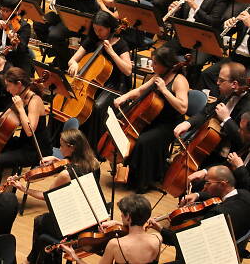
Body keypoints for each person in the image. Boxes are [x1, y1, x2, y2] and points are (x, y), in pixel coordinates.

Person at [11, 128, 100, 264]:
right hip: (92, 216)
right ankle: (34, 259)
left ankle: (42, 259)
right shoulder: (94, 162)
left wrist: (23, 189)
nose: (59, 148)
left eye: (62, 145)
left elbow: (45, 196)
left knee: (41, 222)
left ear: (72, 148)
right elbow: (74, 166)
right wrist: (56, 160)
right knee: (44, 223)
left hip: (76, 224)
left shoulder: (66, 175)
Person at [113, 46, 189, 193]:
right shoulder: (158, 76)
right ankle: (131, 176)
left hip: (170, 124)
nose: (152, 66)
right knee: (133, 136)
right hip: (154, 118)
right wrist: (124, 97)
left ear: (165, 64)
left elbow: (183, 108)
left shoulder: (180, 80)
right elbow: (140, 90)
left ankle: (143, 182)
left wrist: (165, 90)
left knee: (143, 141)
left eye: (155, 63)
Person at [150, 165, 250, 256]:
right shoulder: (245, 194)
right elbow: (217, 195)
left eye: (207, 183)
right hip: (237, 248)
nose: (204, 188)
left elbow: (188, 241)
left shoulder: (218, 213)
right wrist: (197, 195)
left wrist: (161, 229)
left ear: (223, 184)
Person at [67, 11, 132, 146]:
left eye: (100, 30)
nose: (97, 33)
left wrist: (112, 53)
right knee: (68, 97)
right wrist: (73, 64)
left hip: (113, 85)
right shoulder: (92, 39)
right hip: (91, 82)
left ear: (109, 28)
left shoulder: (121, 44)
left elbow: (127, 71)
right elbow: (73, 59)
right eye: (95, 29)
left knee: (96, 107)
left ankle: (92, 145)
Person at [174, 61, 250, 172]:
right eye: (218, 78)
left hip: (227, 158)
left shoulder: (247, 107)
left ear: (234, 84)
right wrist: (187, 123)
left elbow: (243, 141)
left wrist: (226, 119)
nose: (217, 83)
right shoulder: (227, 94)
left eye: (221, 80)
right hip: (210, 147)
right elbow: (206, 112)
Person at [164, 0, 228, 86]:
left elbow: (212, 22)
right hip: (185, 35)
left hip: (204, 40)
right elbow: (181, 19)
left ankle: (190, 90)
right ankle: (169, 83)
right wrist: (173, 11)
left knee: (195, 64)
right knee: (162, 53)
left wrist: (194, 6)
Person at [61, 194, 162, 264]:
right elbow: (138, 232)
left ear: (128, 217)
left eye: (122, 213)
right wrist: (117, 223)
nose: (121, 215)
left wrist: (74, 256)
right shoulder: (157, 238)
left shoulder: (115, 245)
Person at [0, 67, 52, 174]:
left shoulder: (35, 100)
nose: (7, 90)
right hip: (23, 143)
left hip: (36, 150)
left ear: (19, 84)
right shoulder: (21, 96)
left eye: (9, 85)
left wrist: (20, 108)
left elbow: (29, 131)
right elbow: (7, 113)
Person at [208, 9, 250, 95]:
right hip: (235, 57)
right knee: (208, 74)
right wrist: (227, 25)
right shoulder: (248, 12)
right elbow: (227, 33)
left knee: (243, 86)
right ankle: (216, 101)